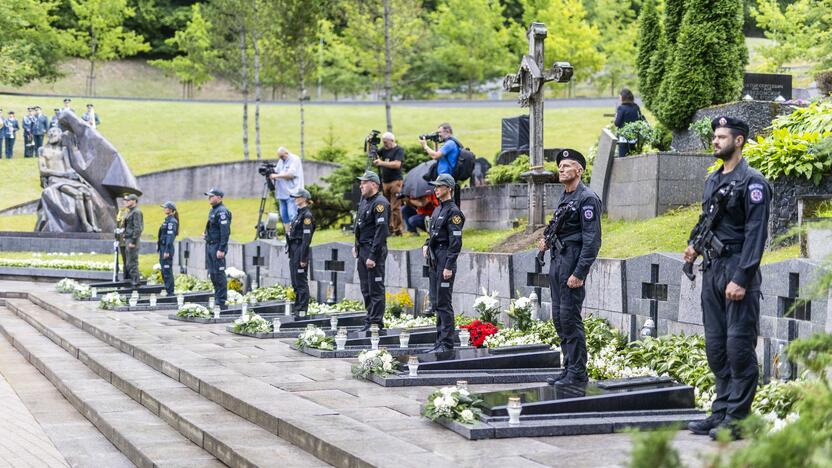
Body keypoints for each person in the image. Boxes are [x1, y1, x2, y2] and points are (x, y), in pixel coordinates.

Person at [685, 117, 771, 441]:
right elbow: (705, 218)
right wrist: (694, 244)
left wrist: (742, 277)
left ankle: (738, 418)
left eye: (722, 136)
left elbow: (756, 234)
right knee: (717, 347)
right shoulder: (713, 181)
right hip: (712, 269)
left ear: (739, 141)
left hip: (737, 270)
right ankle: (720, 411)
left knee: (739, 348)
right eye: (715, 136)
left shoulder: (754, 183)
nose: (715, 141)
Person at [540, 149, 602, 386]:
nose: (561, 169)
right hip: (558, 261)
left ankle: (577, 372)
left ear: (580, 170)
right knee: (558, 318)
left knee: (569, 317)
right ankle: (569, 368)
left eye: (567, 165)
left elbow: (592, 240)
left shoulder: (587, 198)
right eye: (560, 166)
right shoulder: (566, 196)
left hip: (572, 262)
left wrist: (580, 272)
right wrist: (547, 241)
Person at [423, 174, 465, 353]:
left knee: (443, 303)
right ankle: (438, 342)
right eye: (435, 186)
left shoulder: (453, 212)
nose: (436, 189)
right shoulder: (437, 209)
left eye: (439, 186)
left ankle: (446, 344)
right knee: (436, 301)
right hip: (435, 258)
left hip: (444, 258)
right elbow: (432, 233)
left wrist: (449, 266)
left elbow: (455, 242)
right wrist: (426, 244)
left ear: (448, 188)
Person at [353, 171, 390, 331]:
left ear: (374, 184)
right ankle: (369, 320)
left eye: (364, 182)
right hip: (362, 249)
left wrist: (373, 255)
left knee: (375, 288)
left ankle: (376, 323)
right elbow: (359, 226)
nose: (361, 185)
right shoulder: (364, 201)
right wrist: (356, 246)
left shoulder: (380, 203)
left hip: (373, 250)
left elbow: (381, 231)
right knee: (365, 288)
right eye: (361, 183)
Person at [286, 189, 315, 314]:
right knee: (295, 281)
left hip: (300, 249)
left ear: (304, 198)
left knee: (301, 281)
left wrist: (303, 258)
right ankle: (297, 308)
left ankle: (302, 310)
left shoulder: (307, 215)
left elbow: (306, 239)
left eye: (297, 197)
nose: (295, 199)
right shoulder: (299, 214)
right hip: (293, 249)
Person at [420, 123, 461, 206]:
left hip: (446, 179)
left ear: (447, 131)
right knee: (443, 204)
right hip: (443, 178)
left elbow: (435, 156)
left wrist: (425, 146)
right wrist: (436, 143)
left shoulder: (450, 143)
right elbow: (437, 156)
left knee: (448, 204)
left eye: (439, 132)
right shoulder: (448, 143)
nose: (438, 135)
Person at [204, 188, 232, 307]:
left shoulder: (222, 211)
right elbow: (213, 227)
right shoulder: (213, 210)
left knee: (219, 274)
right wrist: (206, 234)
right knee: (213, 273)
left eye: (212, 196)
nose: (209, 198)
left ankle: (221, 301)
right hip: (211, 245)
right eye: (208, 196)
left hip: (217, 246)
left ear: (219, 197)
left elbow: (225, 232)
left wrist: (221, 248)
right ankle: (217, 298)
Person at [374, 132, 405, 236]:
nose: (384, 144)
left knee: (395, 207)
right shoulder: (384, 149)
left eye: (386, 142)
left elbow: (397, 164)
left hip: (395, 181)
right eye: (383, 142)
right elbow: (375, 155)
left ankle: (398, 230)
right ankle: (389, 229)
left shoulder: (398, 150)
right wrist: (371, 146)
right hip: (385, 182)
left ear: (392, 141)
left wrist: (381, 163)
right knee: (386, 207)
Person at [269, 147, 304, 230]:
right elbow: (277, 170)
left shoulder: (295, 159)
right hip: (282, 193)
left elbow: (291, 174)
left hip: (292, 192)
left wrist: (276, 176)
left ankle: (295, 234)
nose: (281, 159)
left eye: (282, 156)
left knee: (292, 215)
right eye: (279, 157)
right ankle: (288, 235)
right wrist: (270, 172)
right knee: (284, 216)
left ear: (286, 153)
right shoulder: (281, 161)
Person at [614, 88, 644, 157]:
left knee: (623, 158)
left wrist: (615, 117)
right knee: (632, 157)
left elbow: (617, 123)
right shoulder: (636, 107)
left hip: (623, 138)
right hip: (634, 137)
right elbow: (639, 120)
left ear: (623, 97)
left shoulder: (621, 108)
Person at [157, 201, 179, 296]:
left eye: (166, 208)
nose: (164, 209)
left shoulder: (172, 221)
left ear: (170, 209)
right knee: (164, 270)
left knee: (167, 271)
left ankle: (170, 292)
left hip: (167, 249)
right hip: (163, 247)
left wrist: (166, 251)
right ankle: (168, 290)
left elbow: (170, 238)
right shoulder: (167, 220)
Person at [122, 194, 144, 289]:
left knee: (132, 262)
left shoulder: (136, 212)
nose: (126, 202)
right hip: (128, 239)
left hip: (132, 240)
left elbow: (138, 228)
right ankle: (133, 281)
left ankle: (136, 283)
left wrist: (133, 241)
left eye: (128, 200)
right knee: (128, 262)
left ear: (134, 201)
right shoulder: (130, 212)